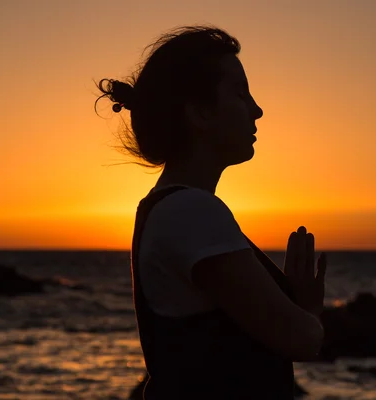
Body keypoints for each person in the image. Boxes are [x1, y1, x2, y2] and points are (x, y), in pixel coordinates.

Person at [95, 25, 327, 399]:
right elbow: (300, 339)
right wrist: (309, 309)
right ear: (199, 113)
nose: (257, 109)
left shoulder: (169, 208)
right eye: (240, 94)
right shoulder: (192, 211)